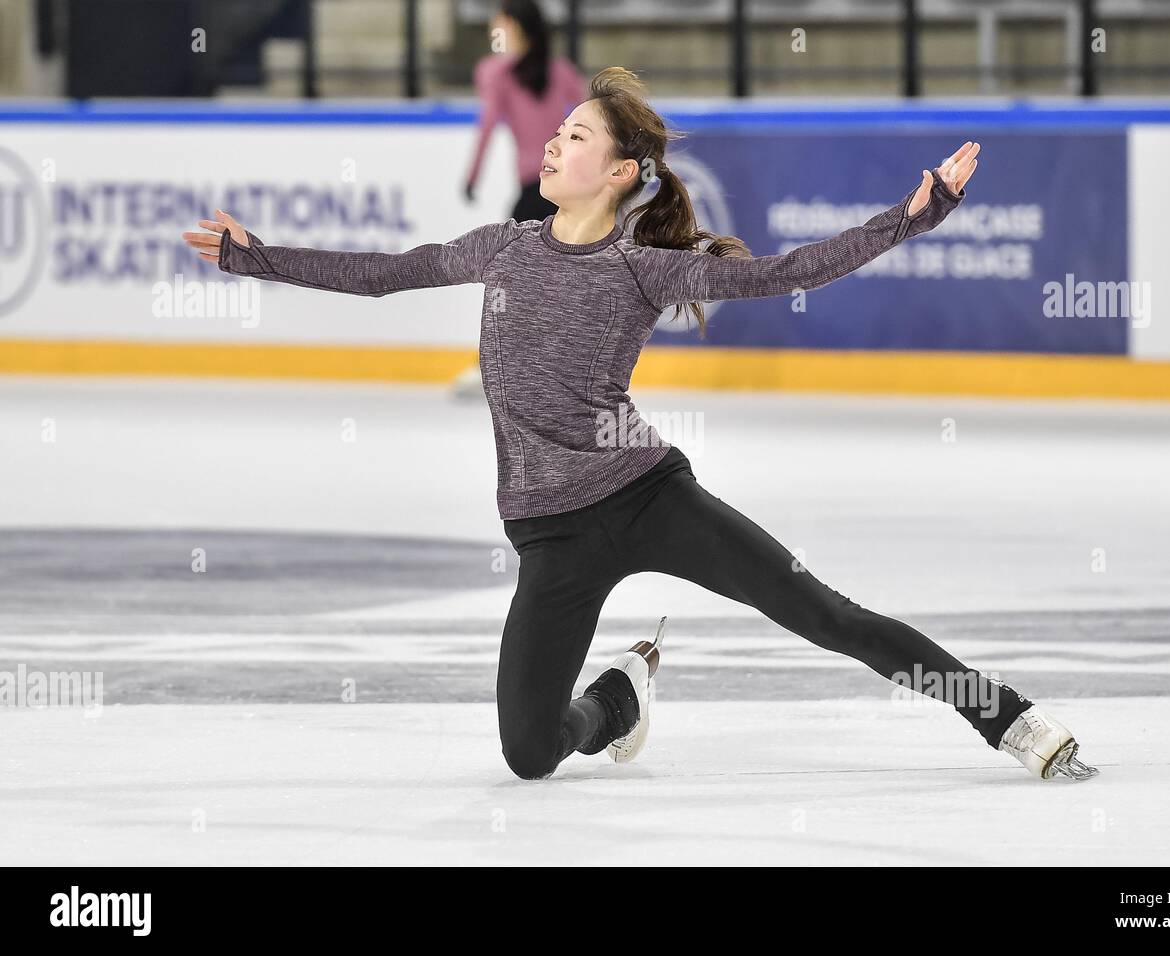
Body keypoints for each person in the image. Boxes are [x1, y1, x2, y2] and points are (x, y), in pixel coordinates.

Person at [183, 67, 1098, 784]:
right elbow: (381, 272)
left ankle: (1007, 717)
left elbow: (786, 272)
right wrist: (252, 259)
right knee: (531, 754)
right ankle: (619, 698)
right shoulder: (500, 247)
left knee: (824, 614)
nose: (551, 145)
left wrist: (915, 215)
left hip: (649, 496)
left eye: (574, 136)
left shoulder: (644, 266)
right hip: (551, 535)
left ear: (619, 172)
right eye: (554, 133)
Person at [463, 0, 587, 225]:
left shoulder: (495, 73)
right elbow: (594, 115)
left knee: (513, 254)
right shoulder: (562, 70)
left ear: (512, 25)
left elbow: (487, 126)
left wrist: (472, 178)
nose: (492, 26)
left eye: (498, 20)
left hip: (535, 184)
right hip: (569, 190)